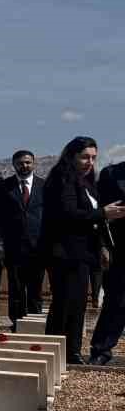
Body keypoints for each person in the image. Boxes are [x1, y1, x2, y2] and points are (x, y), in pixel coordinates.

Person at [40, 137, 125, 362]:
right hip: (65, 252)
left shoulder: (85, 182)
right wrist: (103, 214)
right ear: (72, 156)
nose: (90, 162)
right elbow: (67, 214)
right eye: (85, 157)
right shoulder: (62, 179)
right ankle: (55, 355)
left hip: (82, 254)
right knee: (65, 305)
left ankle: (72, 353)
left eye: (93, 158)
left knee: (77, 305)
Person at [0, 150, 45, 324]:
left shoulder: (44, 186)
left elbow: (50, 216)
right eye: (21, 163)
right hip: (13, 248)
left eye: (28, 162)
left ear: (34, 163)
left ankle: (35, 325)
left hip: (38, 247)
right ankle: (16, 325)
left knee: (36, 290)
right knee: (16, 290)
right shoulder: (3, 188)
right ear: (14, 165)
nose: (25, 166)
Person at [87, 155, 125, 364]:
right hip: (120, 248)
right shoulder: (111, 174)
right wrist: (102, 244)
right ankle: (101, 350)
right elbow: (100, 213)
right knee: (117, 301)